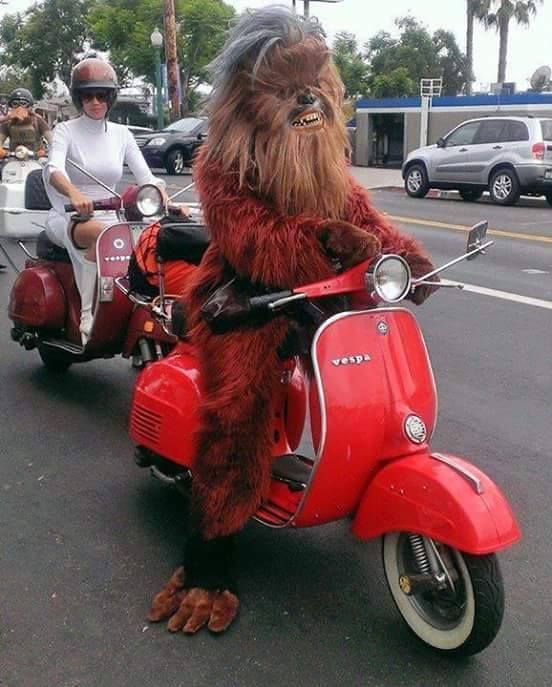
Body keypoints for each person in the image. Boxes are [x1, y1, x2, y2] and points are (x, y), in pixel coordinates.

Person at [148, 7, 439, 635]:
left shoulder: (323, 162)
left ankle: (363, 480)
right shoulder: (223, 163)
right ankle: (208, 562)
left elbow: (361, 215)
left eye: (313, 84)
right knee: (238, 409)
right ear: (249, 99)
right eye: (287, 90)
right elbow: (252, 241)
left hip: (318, 291)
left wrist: (404, 259)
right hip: (243, 297)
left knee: (374, 373)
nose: (306, 100)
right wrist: (330, 241)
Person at [43, 57, 171, 345]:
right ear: (78, 98)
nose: (95, 102)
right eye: (87, 96)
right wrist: (73, 194)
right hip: (70, 215)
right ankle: (88, 315)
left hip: (113, 215)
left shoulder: (121, 134)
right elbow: (53, 170)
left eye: (101, 95)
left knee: (152, 238)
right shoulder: (65, 130)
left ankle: (141, 308)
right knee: (105, 236)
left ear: (111, 97)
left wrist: (166, 198)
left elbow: (147, 177)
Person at [0, 88, 52, 157]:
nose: (19, 107)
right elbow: (1, 138)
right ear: (11, 106)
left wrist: (47, 151)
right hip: (13, 158)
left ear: (30, 106)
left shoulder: (38, 120)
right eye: (15, 104)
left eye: (23, 104)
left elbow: (51, 140)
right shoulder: (8, 122)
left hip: (37, 158)